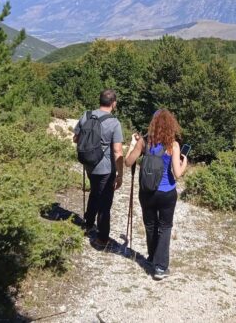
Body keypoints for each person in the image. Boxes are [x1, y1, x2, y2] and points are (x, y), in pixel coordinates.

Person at [125, 109, 188, 280]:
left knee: (150, 225)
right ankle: (160, 267)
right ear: (171, 125)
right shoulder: (173, 145)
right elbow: (177, 173)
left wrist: (132, 144)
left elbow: (128, 162)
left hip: (147, 192)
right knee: (165, 227)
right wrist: (185, 163)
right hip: (167, 193)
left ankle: (152, 258)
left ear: (152, 124)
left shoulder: (144, 142)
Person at [73, 89, 124, 248]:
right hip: (105, 169)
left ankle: (88, 224)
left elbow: (76, 138)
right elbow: (117, 151)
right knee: (105, 203)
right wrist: (120, 174)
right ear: (113, 103)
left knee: (94, 193)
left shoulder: (86, 115)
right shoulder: (114, 122)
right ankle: (102, 238)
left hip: (88, 165)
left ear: (100, 100)